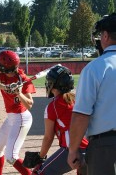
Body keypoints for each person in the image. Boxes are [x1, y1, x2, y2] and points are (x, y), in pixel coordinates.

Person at [67, 13, 116, 175]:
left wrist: (73, 150)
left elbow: (81, 115)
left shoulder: (96, 67)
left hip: (106, 147)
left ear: (106, 35)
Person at [32, 65, 88, 175]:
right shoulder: (78, 100)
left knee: (40, 172)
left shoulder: (53, 107)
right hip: (92, 148)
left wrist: (40, 157)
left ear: (53, 84)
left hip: (73, 149)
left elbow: (48, 137)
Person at [0, 50, 36, 175]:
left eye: (0, 64)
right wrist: (6, 87)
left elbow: (29, 104)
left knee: (11, 156)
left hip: (21, 118)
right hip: (11, 119)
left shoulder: (24, 79)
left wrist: (19, 93)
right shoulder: (2, 76)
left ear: (7, 67)